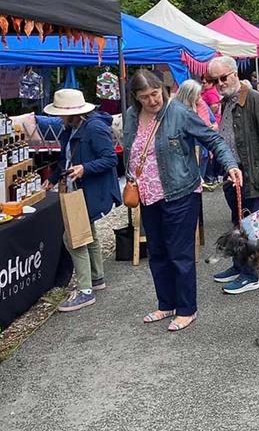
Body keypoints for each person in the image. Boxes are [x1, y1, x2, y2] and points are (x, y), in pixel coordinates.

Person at [123, 69, 241, 331]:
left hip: (180, 193)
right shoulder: (131, 116)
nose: (152, 101)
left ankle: (187, 308)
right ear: (136, 98)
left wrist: (230, 165)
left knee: (180, 254)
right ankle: (166, 304)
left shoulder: (178, 113)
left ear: (162, 90)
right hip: (148, 195)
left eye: (155, 94)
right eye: (145, 97)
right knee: (157, 253)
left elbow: (213, 139)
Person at [43, 89, 121, 313]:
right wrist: (53, 178)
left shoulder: (94, 128)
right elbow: (65, 158)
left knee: (73, 238)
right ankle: (97, 278)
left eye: (60, 113)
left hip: (92, 190)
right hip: (83, 190)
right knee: (90, 234)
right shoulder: (71, 127)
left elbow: (110, 159)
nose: (58, 118)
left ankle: (85, 290)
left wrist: (85, 168)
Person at [208, 56, 259, 294]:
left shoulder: (254, 100)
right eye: (214, 79)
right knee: (238, 224)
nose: (219, 83)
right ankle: (239, 266)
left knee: (250, 227)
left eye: (223, 77)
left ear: (235, 73)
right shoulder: (228, 100)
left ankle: (251, 274)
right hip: (233, 175)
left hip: (252, 175)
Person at [176, 80, 217, 189]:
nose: (200, 97)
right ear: (188, 95)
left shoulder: (202, 104)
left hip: (202, 150)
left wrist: (213, 126)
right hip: (187, 150)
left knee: (198, 183)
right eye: (197, 95)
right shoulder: (177, 110)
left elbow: (213, 120)